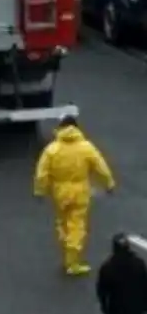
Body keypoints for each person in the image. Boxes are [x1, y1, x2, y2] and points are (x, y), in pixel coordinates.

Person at [34, 112, 116, 275]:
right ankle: (73, 262)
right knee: (77, 225)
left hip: (59, 191)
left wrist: (40, 191)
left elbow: (41, 173)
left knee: (63, 222)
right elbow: (101, 166)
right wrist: (109, 184)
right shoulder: (86, 147)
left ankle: (67, 252)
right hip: (79, 191)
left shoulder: (52, 149)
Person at [98, 233, 147, 314]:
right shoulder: (139, 264)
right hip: (135, 310)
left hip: (116, 311)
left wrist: (105, 307)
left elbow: (102, 290)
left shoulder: (107, 268)